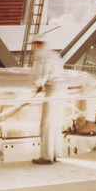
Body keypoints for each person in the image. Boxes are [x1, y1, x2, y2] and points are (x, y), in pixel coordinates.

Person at [31, 36, 67, 165]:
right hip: (63, 90)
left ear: (36, 44)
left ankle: (46, 156)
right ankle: (57, 153)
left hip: (53, 91)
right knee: (57, 123)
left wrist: (37, 86)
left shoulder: (41, 55)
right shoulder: (54, 54)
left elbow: (42, 74)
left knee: (47, 123)